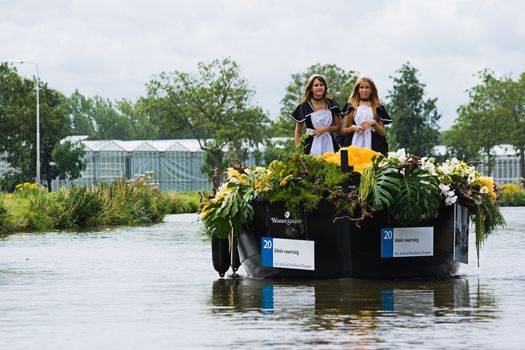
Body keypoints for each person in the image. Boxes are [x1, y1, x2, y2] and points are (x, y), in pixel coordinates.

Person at [339, 76, 392, 155]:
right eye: (361, 87)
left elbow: (382, 132)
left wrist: (374, 123)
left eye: (367, 87)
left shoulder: (378, 107)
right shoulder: (350, 106)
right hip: (354, 144)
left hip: (373, 145)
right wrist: (353, 128)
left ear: (371, 90)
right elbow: (343, 130)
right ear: (357, 89)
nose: (364, 90)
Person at [290, 74, 341, 156]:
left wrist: (326, 129)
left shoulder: (331, 104)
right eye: (316, 85)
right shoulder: (304, 106)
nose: (319, 87)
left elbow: (338, 127)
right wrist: (298, 151)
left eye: (321, 85)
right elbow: (298, 131)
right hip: (310, 143)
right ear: (311, 88)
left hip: (329, 142)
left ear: (325, 87)